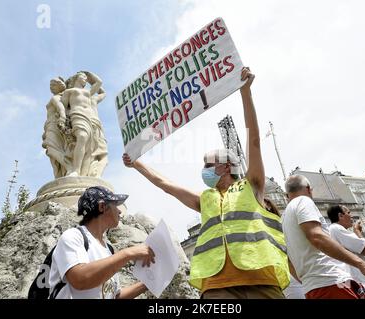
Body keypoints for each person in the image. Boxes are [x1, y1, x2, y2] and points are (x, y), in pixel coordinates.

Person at [123, 67, 290, 299]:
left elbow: (253, 142)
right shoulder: (206, 198)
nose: (204, 170)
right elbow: (165, 184)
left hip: (259, 280)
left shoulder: (251, 186)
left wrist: (245, 93)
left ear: (225, 167)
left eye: (208, 164)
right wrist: (136, 164)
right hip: (215, 286)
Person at [281, 175, 365, 299]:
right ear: (309, 189)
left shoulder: (283, 218)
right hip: (331, 281)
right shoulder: (303, 201)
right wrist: (363, 265)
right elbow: (316, 236)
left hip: (316, 287)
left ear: (287, 194)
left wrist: (310, 282)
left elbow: (288, 261)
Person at [48, 186, 155, 299]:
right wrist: (128, 253)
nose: (119, 211)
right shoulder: (73, 236)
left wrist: (147, 284)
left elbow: (114, 296)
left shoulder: (108, 249)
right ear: (102, 207)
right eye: (116, 205)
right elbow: (80, 279)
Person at [327, 205, 365, 299]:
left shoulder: (333, 230)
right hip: (362, 281)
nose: (351, 216)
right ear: (340, 215)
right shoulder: (336, 229)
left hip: (357, 281)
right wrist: (357, 231)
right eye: (348, 213)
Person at [62, 71, 107, 177]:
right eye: (83, 77)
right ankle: (75, 170)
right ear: (76, 79)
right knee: (82, 137)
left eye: (87, 78)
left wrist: (88, 73)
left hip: (90, 118)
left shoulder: (88, 93)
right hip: (77, 115)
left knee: (89, 147)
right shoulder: (69, 92)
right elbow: (63, 108)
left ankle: (83, 172)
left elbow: (99, 82)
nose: (86, 79)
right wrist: (64, 120)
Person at [42, 77, 73, 178]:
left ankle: (69, 167)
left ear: (60, 86)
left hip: (54, 125)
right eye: (50, 85)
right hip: (51, 125)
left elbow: (60, 108)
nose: (51, 87)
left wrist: (62, 118)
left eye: (53, 84)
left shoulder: (56, 98)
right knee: (55, 150)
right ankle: (65, 170)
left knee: (51, 149)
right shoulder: (62, 97)